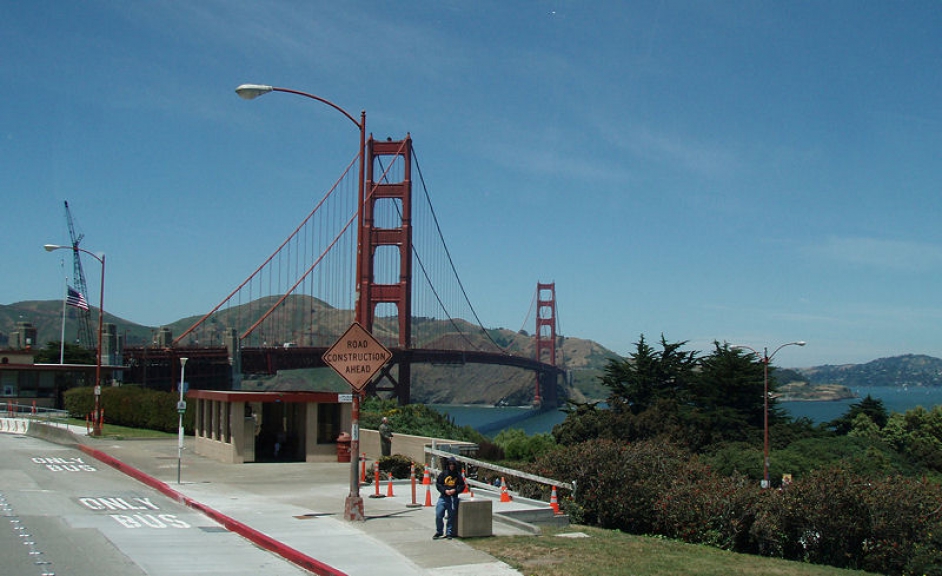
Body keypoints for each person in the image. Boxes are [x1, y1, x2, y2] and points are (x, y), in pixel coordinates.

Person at [433, 456, 465, 540]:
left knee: (451, 516)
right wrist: (444, 491)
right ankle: (439, 531)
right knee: (439, 514)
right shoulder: (443, 474)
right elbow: (438, 484)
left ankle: (449, 533)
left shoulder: (458, 475)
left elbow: (462, 485)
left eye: (453, 464)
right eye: (450, 464)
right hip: (443, 497)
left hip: (453, 498)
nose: (451, 466)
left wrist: (455, 490)